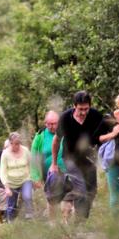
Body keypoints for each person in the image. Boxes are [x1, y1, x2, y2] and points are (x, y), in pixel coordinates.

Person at [49, 91, 106, 219]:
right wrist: (54, 163)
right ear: (74, 106)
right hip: (70, 158)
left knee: (92, 191)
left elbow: (102, 135)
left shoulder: (95, 116)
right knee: (81, 188)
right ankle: (80, 223)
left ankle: (80, 215)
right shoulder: (65, 118)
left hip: (89, 158)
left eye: (86, 109)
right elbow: (56, 140)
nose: (84, 112)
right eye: (80, 109)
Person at [30, 110, 65, 218]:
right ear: (45, 123)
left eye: (54, 123)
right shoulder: (40, 137)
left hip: (66, 172)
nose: (51, 126)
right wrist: (35, 177)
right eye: (49, 124)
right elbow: (34, 157)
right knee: (52, 200)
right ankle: (53, 224)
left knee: (67, 199)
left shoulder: (66, 132)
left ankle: (67, 223)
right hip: (49, 175)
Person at [0, 132, 34, 221]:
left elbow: (31, 165)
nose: (17, 146)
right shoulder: (5, 154)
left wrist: (34, 178)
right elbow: (3, 172)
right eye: (15, 144)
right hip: (11, 182)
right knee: (11, 205)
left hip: (25, 179)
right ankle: (10, 222)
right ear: (10, 143)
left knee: (27, 196)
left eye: (19, 143)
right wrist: (6, 187)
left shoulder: (25, 150)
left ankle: (29, 218)